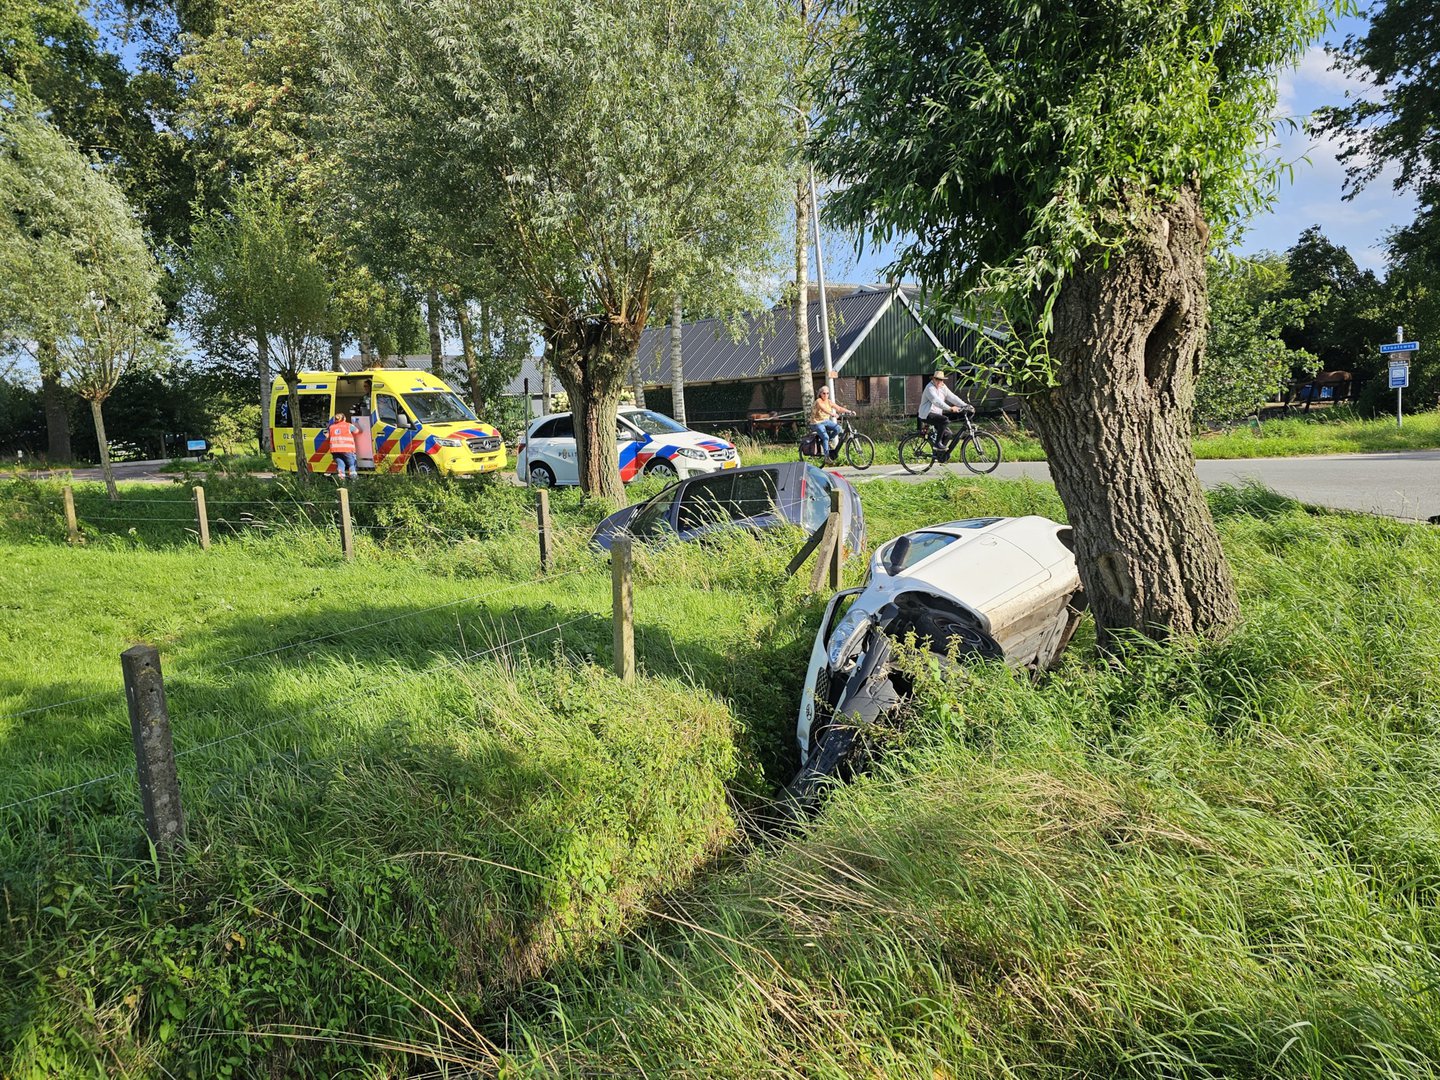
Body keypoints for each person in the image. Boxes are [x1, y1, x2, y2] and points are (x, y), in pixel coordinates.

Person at [917, 370, 972, 455]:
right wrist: (950, 408)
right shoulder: (929, 388)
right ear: (933, 379)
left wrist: (965, 405)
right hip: (926, 414)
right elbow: (936, 401)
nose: (939, 381)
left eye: (941, 379)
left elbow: (953, 397)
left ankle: (940, 454)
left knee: (948, 434)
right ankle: (937, 444)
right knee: (945, 420)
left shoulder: (943, 387)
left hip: (936, 415)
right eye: (937, 379)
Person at [809, 385, 854, 461]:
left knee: (838, 428)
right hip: (816, 423)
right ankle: (827, 457)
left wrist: (849, 411)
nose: (826, 395)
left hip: (825, 421)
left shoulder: (829, 402)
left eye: (827, 393)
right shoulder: (818, 401)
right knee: (825, 437)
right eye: (824, 393)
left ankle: (827, 440)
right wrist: (832, 414)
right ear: (820, 394)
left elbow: (839, 408)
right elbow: (823, 409)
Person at [327, 412, 360, 480]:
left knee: (341, 465)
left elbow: (327, 436)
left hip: (335, 450)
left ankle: (341, 480)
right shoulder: (348, 425)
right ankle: (354, 480)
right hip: (347, 450)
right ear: (344, 418)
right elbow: (357, 431)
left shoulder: (331, 427)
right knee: (351, 464)